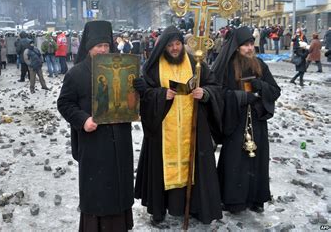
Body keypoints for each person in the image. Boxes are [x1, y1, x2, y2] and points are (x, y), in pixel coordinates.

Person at [133, 25, 223, 227]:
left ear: (183, 45)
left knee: (195, 168)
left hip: (193, 126)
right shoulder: (154, 66)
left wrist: (205, 93)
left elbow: (214, 86)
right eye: (170, 45)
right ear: (163, 46)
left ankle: (193, 207)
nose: (174, 48)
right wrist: (160, 94)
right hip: (164, 128)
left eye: (178, 44)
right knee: (161, 169)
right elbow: (143, 91)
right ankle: (159, 210)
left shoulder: (195, 63)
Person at [57, 20, 134, 231]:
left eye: (106, 46)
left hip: (120, 141)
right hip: (94, 144)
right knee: (98, 192)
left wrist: (137, 88)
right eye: (98, 46)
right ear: (88, 47)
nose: (102, 50)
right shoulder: (76, 74)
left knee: (118, 190)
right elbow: (64, 103)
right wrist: (83, 120)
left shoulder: (121, 69)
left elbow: (131, 99)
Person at [212, 27, 281, 214]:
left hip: (257, 122)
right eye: (245, 45)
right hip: (236, 121)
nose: (250, 48)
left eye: (251, 44)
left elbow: (275, 91)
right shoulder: (227, 67)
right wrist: (241, 97)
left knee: (257, 161)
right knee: (235, 161)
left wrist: (262, 86)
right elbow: (218, 93)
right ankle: (233, 201)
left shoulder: (260, 65)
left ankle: (256, 198)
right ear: (237, 47)